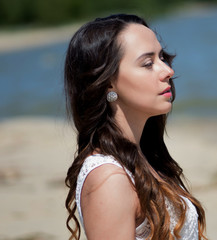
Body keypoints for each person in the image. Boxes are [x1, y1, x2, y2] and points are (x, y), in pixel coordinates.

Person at [64, 14, 207, 240]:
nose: (167, 71)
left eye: (162, 57)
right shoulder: (108, 178)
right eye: (148, 63)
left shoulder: (144, 156)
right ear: (108, 82)